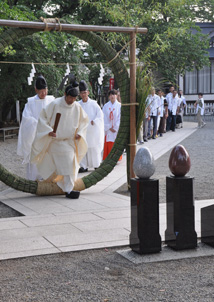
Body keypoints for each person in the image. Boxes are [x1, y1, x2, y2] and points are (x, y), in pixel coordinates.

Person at [31, 82, 89, 199]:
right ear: (64, 95)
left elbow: (84, 121)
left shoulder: (77, 107)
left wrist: (80, 133)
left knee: (71, 165)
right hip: (55, 141)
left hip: (69, 142)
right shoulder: (55, 104)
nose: (72, 100)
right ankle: (62, 186)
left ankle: (68, 189)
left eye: (74, 98)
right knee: (55, 166)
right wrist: (48, 131)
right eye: (70, 97)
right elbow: (43, 118)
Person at [17, 75, 54, 180]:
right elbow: (26, 119)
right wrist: (38, 123)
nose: (44, 93)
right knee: (35, 158)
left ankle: (48, 179)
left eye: (45, 90)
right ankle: (33, 180)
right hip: (34, 136)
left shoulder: (51, 100)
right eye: (41, 91)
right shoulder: (30, 102)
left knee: (48, 157)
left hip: (48, 135)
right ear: (36, 90)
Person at [78, 80, 104, 173]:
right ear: (80, 94)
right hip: (83, 130)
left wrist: (95, 121)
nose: (84, 94)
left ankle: (96, 164)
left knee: (94, 148)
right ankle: (83, 166)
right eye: (82, 93)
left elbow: (100, 115)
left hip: (92, 130)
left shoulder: (93, 103)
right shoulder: (78, 105)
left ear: (88, 92)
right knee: (82, 148)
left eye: (85, 92)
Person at [102, 89, 122, 160]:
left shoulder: (119, 106)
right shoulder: (105, 106)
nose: (112, 96)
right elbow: (103, 117)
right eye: (110, 95)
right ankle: (108, 157)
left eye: (113, 94)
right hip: (108, 129)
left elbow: (120, 117)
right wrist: (109, 127)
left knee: (115, 141)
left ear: (116, 96)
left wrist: (116, 127)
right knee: (108, 141)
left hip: (116, 128)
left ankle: (116, 158)